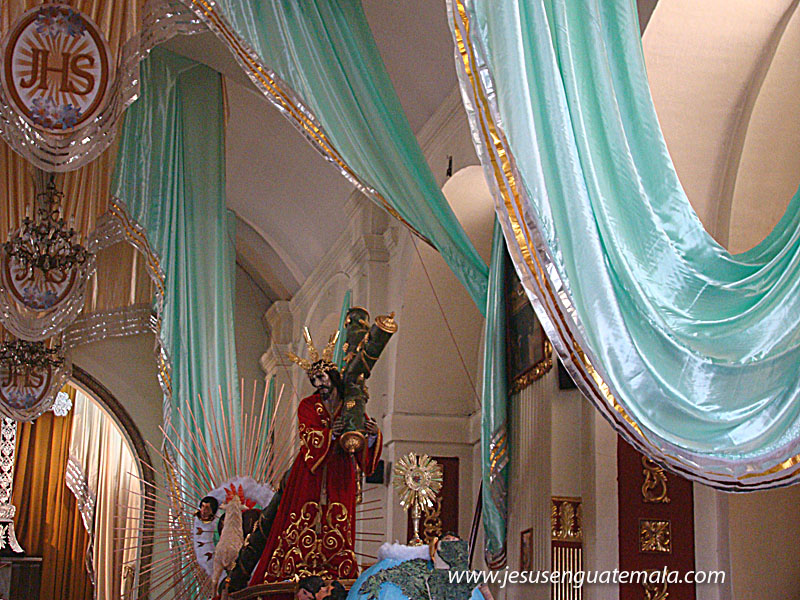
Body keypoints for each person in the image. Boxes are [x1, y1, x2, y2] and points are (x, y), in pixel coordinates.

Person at [246, 334, 382, 585]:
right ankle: (295, 569)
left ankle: (337, 571)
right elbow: (307, 435)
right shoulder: (308, 405)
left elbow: (359, 437)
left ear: (333, 377)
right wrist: (331, 434)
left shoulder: (350, 404)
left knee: (338, 522)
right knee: (302, 519)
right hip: (310, 472)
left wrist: (372, 436)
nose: (319, 384)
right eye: (314, 380)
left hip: (340, 471)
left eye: (322, 378)